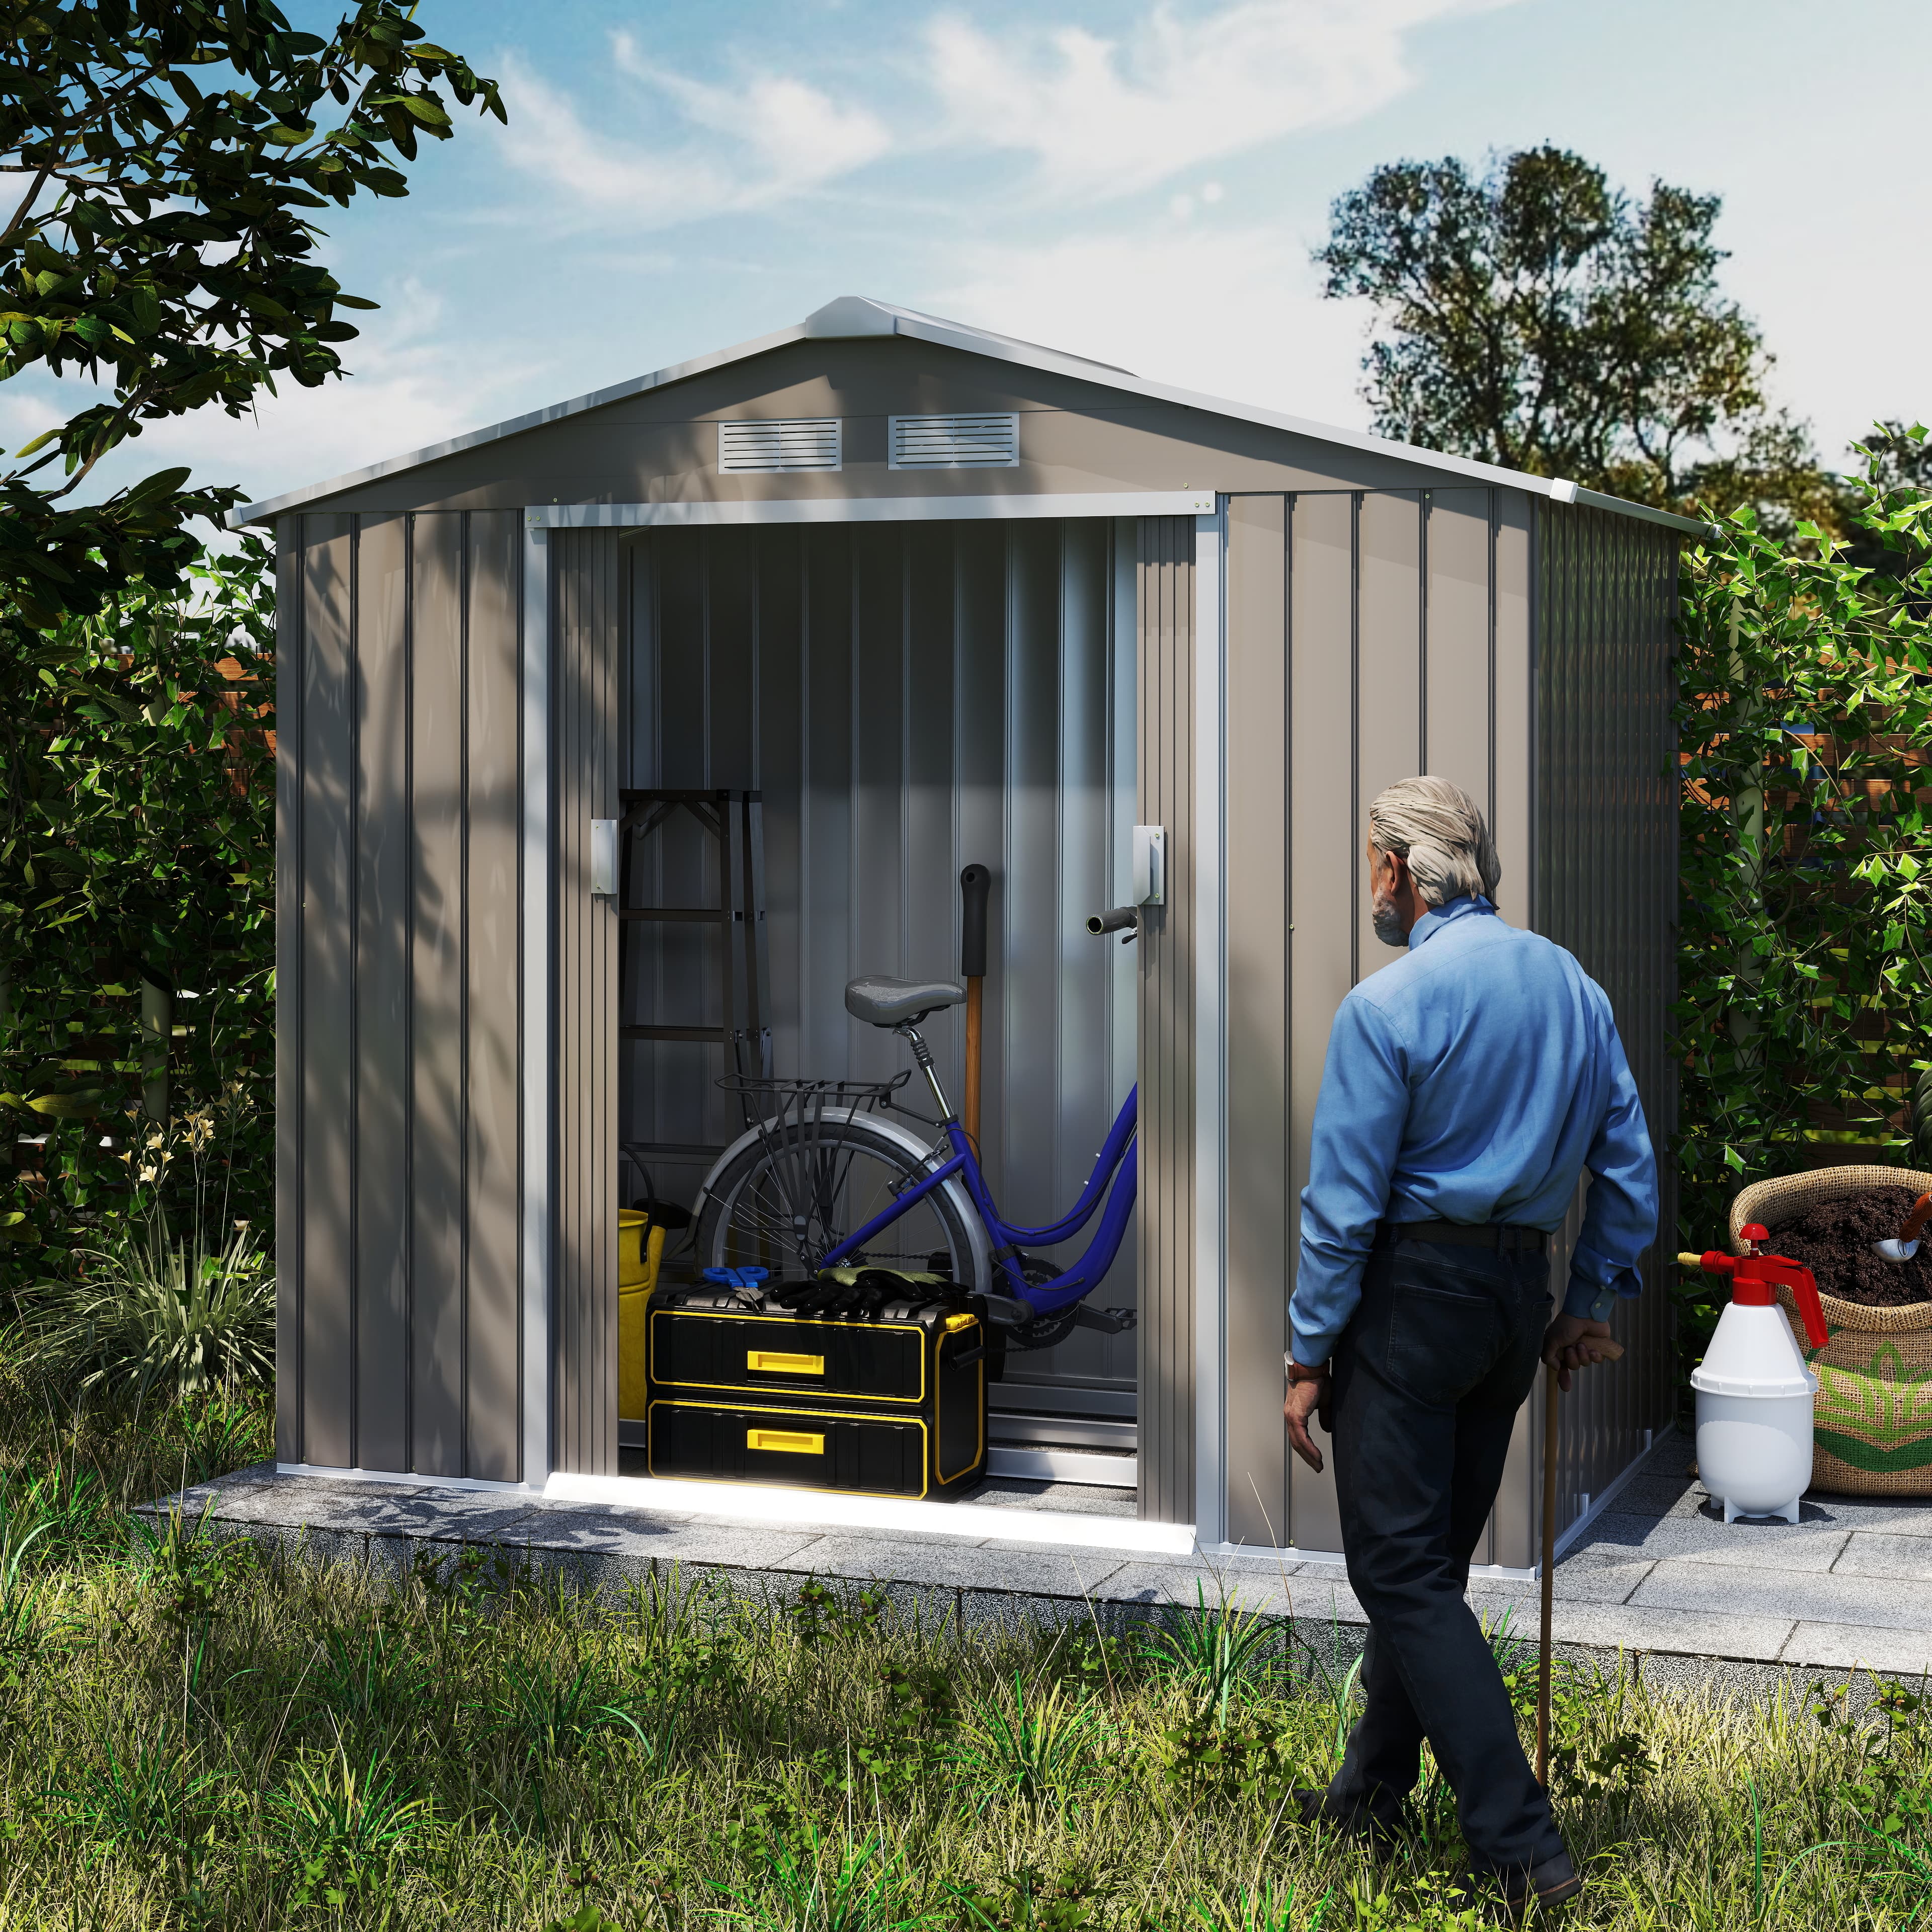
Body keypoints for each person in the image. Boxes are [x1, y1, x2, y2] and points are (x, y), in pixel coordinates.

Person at [1282, 775, 1656, 1914]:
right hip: (1513, 1303)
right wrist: (1586, 1300)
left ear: (1400, 870)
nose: (1371, 888)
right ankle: (1370, 1796)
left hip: (1411, 1299)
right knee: (1430, 1572)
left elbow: (1342, 1210)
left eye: (1373, 866)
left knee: (1399, 1572)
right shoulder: (1574, 989)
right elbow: (1629, 1167)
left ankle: (1526, 1851)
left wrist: (1307, 1357)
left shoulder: (1387, 1006)